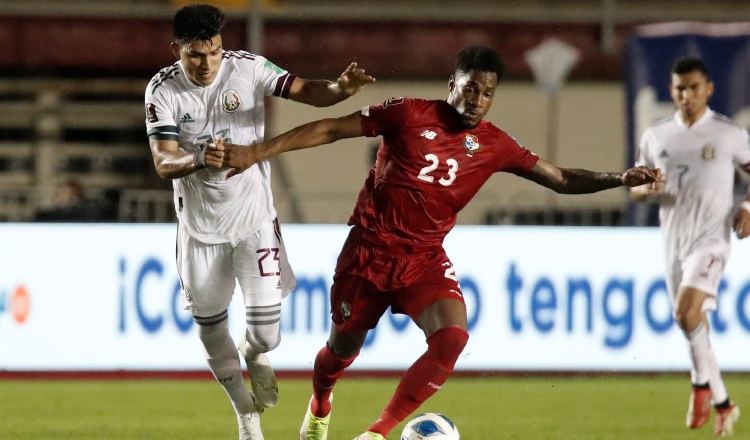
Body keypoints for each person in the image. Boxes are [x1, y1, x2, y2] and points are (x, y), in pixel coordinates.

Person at [211, 45, 660, 440]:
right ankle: (321, 403)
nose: (477, 101)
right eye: (470, 89)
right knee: (340, 353)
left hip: (423, 260)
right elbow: (330, 129)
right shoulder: (408, 113)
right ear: (453, 84)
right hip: (367, 255)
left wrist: (619, 178)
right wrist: (255, 152)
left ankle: (376, 433)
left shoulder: (494, 144)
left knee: (452, 338)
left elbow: (560, 178)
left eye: (487, 93)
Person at [144, 4, 374, 440]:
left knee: (267, 336)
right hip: (199, 231)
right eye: (195, 55)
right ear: (176, 51)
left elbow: (309, 91)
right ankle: (245, 415)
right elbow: (162, 160)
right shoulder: (162, 90)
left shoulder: (248, 68)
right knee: (211, 331)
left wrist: (341, 88)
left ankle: (254, 353)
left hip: (254, 222)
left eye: (213, 51)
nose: (207, 63)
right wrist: (197, 159)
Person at [631, 56, 747, 437]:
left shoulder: (729, 133)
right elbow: (635, 186)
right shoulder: (656, 136)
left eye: (695, 87)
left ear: (709, 88)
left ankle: (699, 385)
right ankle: (724, 403)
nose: (688, 95)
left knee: (686, 311)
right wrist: (647, 188)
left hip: (712, 239)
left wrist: (746, 205)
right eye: (680, 89)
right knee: (693, 323)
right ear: (672, 91)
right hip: (672, 241)